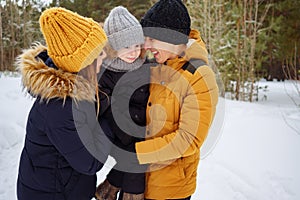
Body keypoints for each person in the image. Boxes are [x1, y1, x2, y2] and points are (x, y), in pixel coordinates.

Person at [16, 7, 112, 200]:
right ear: (82, 62)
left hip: (63, 186)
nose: (105, 58)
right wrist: (111, 121)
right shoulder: (60, 107)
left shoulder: (74, 86)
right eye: (99, 54)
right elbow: (89, 162)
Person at [133, 0, 219, 199]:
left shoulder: (198, 76)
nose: (147, 45)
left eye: (153, 39)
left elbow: (188, 139)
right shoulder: (155, 65)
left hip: (170, 190)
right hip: (137, 183)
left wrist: (136, 153)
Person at [94, 6, 149, 200]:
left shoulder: (146, 65)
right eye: (126, 47)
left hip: (143, 127)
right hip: (121, 131)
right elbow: (104, 105)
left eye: (136, 45)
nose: (133, 52)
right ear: (113, 47)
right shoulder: (106, 72)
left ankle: (109, 188)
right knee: (136, 159)